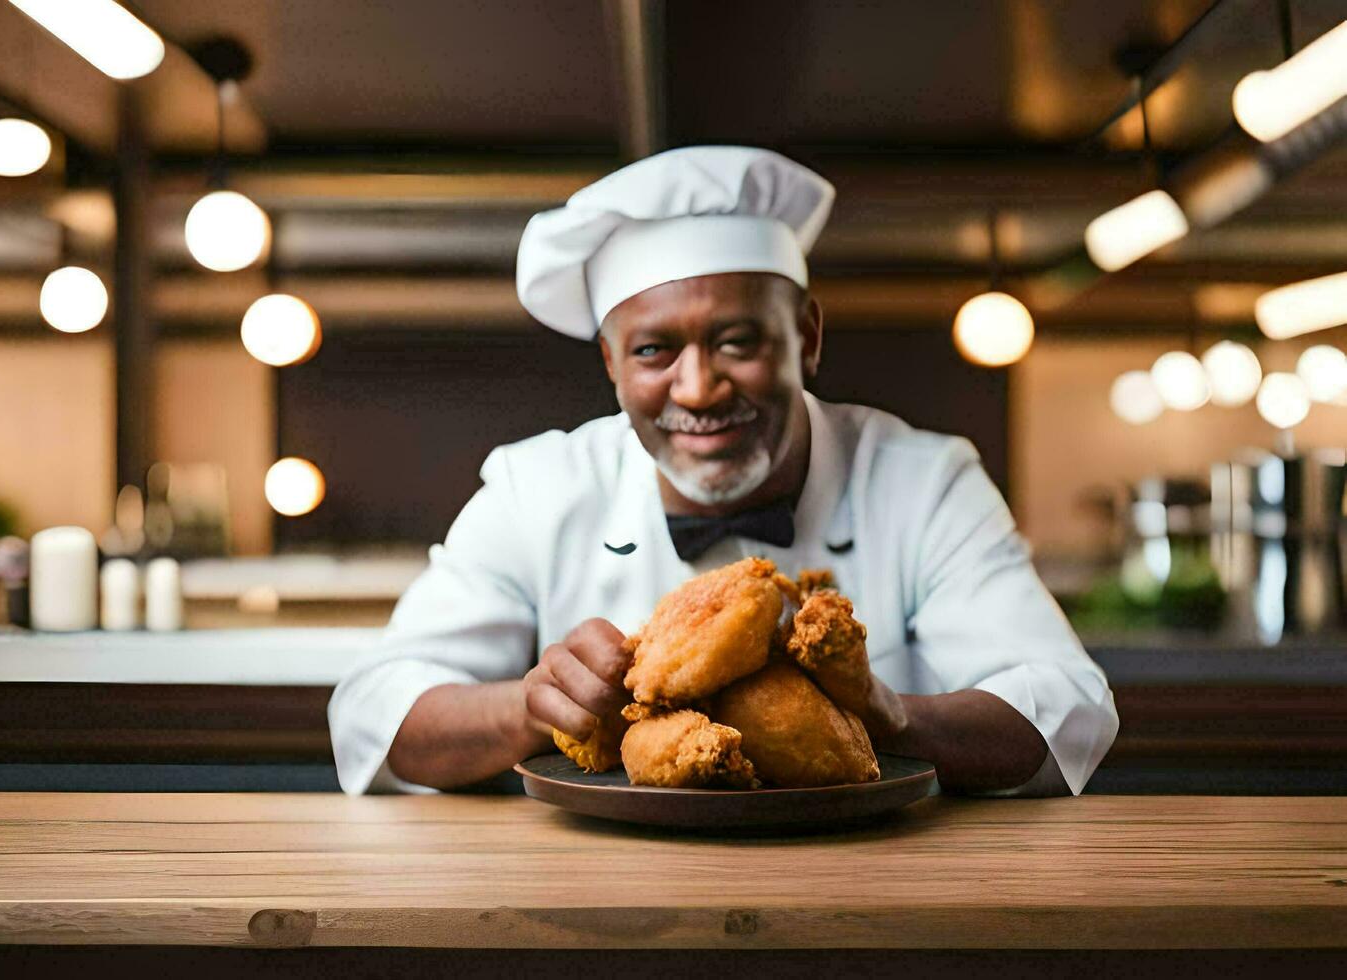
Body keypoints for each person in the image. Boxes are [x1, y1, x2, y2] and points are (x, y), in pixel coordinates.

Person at [329, 146, 1117, 796]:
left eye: (738, 341)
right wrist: (534, 706)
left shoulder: (924, 479)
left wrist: (881, 712)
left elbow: (1066, 706)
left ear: (806, 338)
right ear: (609, 360)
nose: (699, 388)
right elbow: (375, 710)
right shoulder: (538, 487)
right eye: (653, 351)